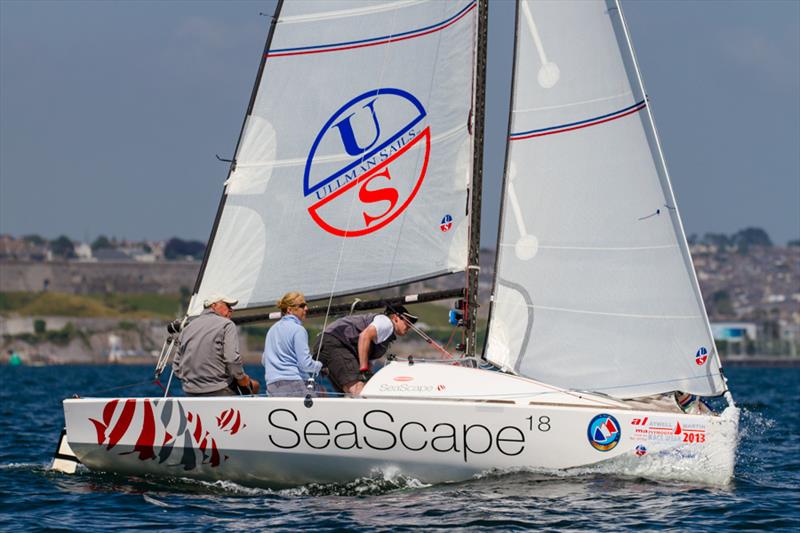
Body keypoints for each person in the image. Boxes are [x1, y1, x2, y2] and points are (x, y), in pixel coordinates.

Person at [313, 305, 417, 396]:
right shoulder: (386, 322)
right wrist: (363, 370)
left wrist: (367, 377)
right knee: (357, 388)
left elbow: (369, 360)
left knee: (348, 392)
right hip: (336, 343)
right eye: (407, 321)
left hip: (327, 344)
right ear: (395, 318)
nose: (410, 325)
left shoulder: (385, 339)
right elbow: (364, 336)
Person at [173, 293, 260, 396]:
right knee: (255, 386)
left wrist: (193, 383)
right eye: (228, 306)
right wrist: (242, 378)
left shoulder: (187, 329)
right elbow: (231, 359)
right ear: (214, 306)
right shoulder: (227, 324)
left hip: (190, 392)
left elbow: (176, 367)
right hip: (220, 390)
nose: (232, 310)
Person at [263, 292, 322, 397]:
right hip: (293, 385)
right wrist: (320, 366)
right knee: (323, 394)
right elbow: (305, 364)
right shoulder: (298, 330)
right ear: (289, 310)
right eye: (302, 306)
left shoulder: (271, 330)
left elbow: (264, 360)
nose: (306, 309)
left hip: (271, 386)